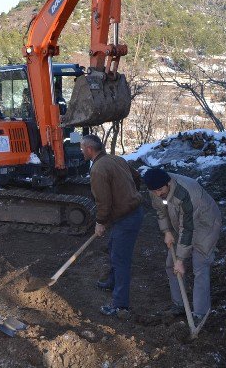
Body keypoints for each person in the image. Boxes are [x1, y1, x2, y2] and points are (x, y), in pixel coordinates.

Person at [142, 168, 221, 325]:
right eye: (154, 191)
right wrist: (166, 231)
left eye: (160, 190)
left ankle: (200, 313)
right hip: (182, 222)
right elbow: (160, 210)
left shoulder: (185, 192)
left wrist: (181, 259)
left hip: (206, 224)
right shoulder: (155, 188)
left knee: (200, 266)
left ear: (168, 183)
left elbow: (188, 229)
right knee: (171, 264)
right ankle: (178, 304)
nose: (157, 194)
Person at [80, 134, 143, 318]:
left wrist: (100, 222)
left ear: (89, 150)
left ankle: (120, 305)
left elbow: (103, 202)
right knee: (113, 247)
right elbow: (137, 177)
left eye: (82, 148)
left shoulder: (98, 169)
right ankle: (112, 282)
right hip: (131, 213)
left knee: (120, 260)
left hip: (126, 217)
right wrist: (129, 196)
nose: (81, 151)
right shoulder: (116, 159)